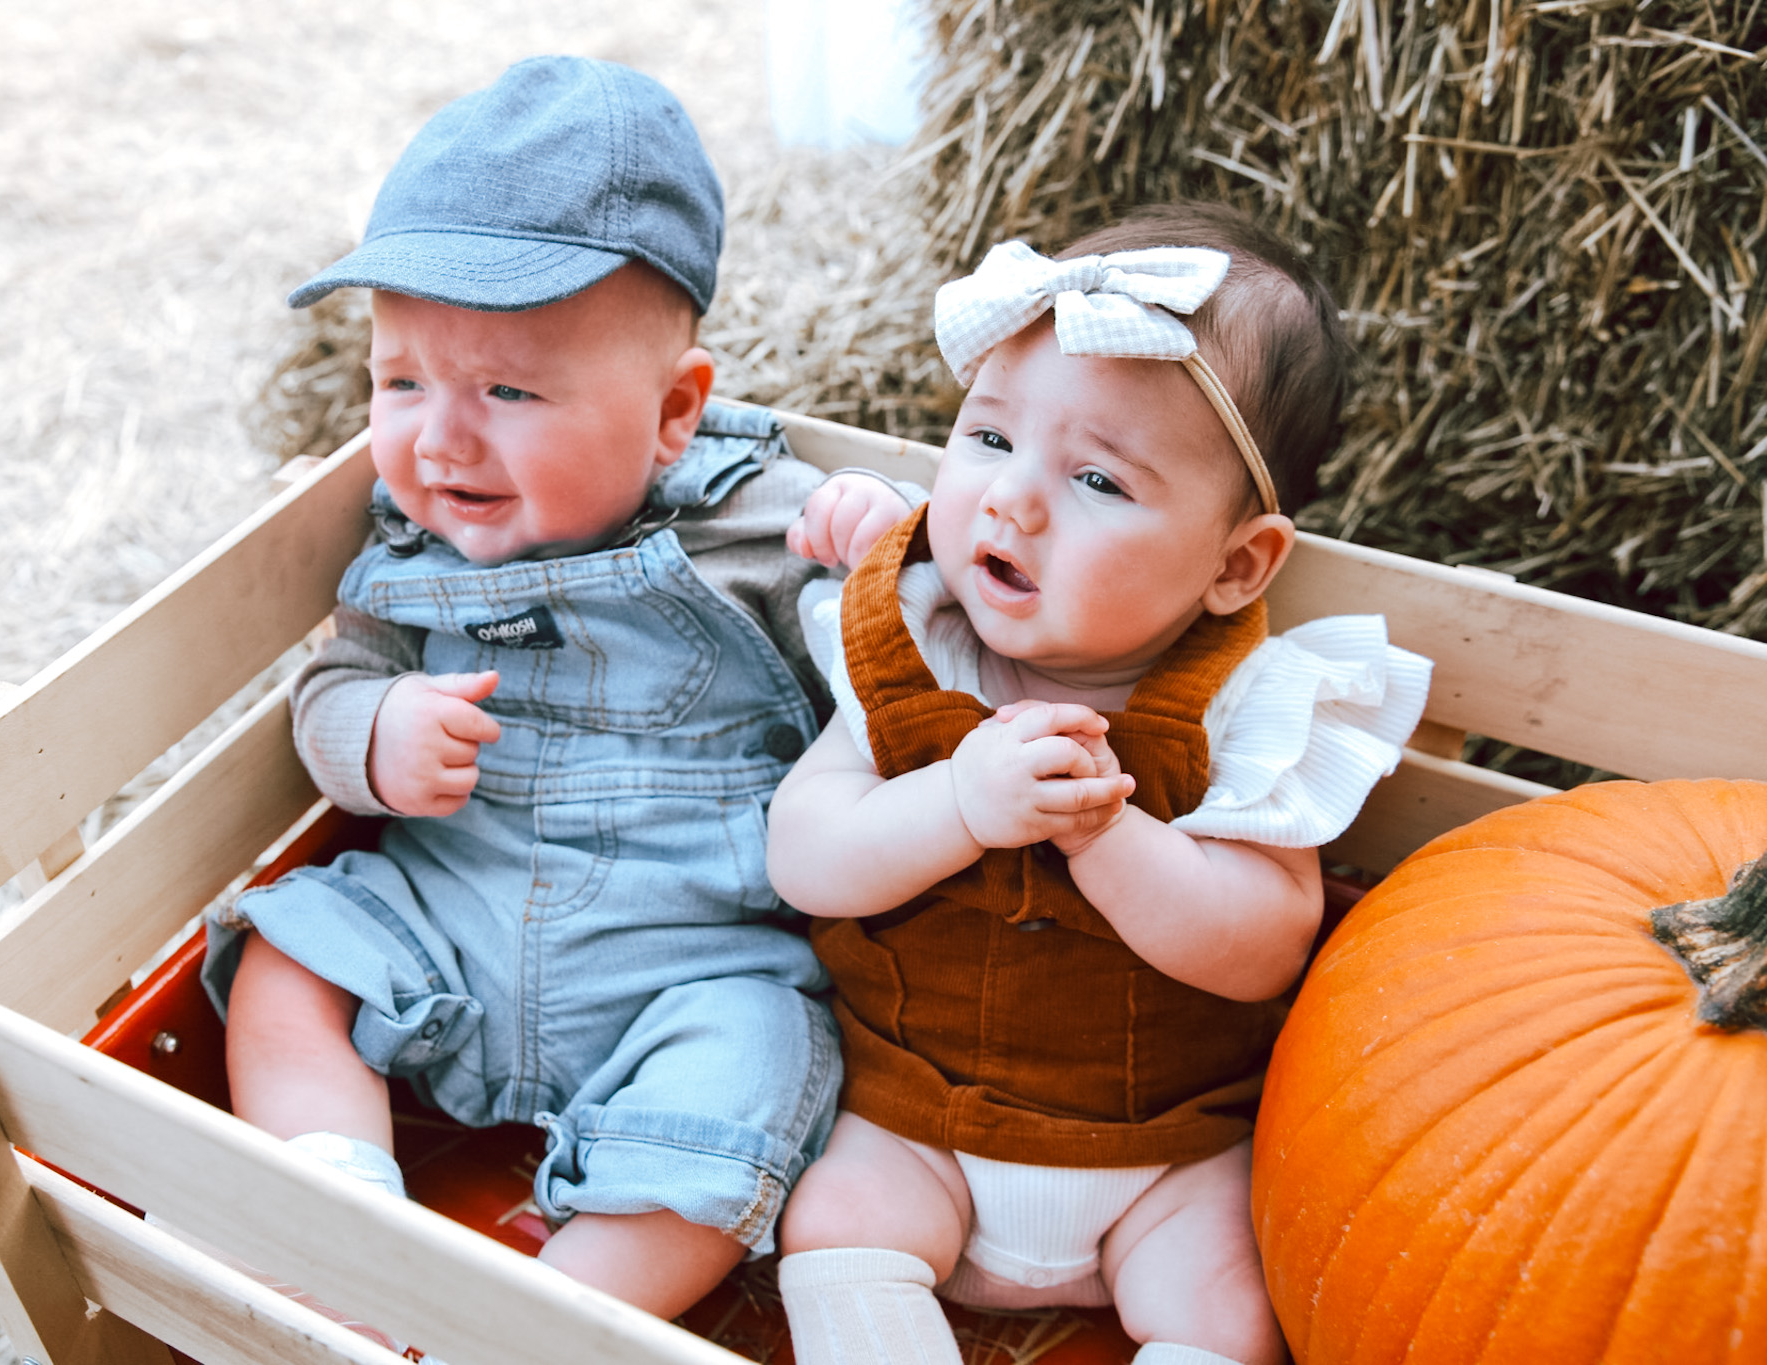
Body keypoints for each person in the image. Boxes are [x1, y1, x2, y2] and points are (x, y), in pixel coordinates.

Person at [198, 55, 915, 1332]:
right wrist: (372, 734)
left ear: (673, 415)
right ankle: (341, 1217)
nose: (439, 438)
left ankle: (537, 1324)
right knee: (292, 951)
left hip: (688, 971)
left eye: (508, 391)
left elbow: (910, 678)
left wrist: (884, 553)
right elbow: (335, 683)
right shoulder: (405, 540)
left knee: (762, 1066)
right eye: (401, 379)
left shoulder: (760, 528)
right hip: (450, 925)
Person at [767, 205, 1433, 1365]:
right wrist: (957, 806)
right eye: (987, 438)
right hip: (916, 1118)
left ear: (1235, 566)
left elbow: (1266, 943)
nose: (1010, 501)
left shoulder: (1249, 709)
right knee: (829, 1222)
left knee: (1229, 1304)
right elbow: (805, 853)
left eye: (1094, 479)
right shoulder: (913, 644)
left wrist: (1107, 835)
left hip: (1163, 1155)